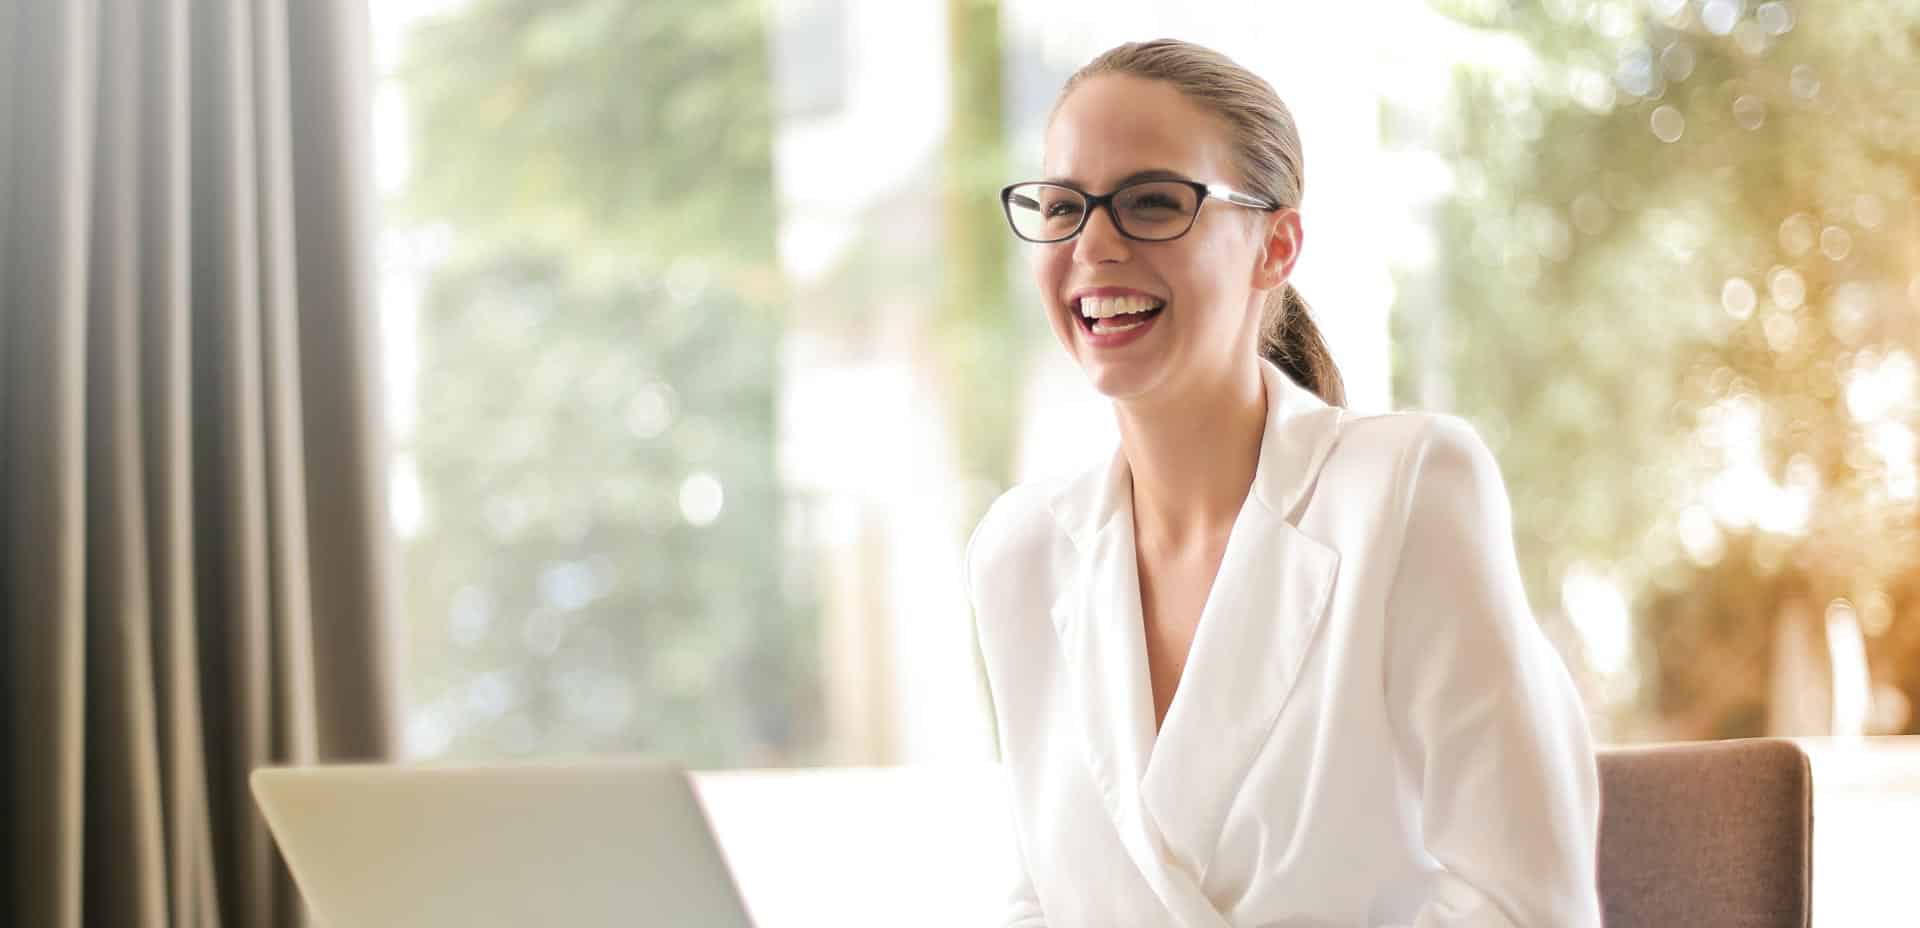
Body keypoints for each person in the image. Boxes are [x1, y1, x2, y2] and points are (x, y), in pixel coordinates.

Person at [965, 39, 1602, 927]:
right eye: (1063, 206)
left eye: (1153, 202)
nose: (1093, 243)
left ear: (1277, 244)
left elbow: (1525, 908)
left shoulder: (1408, 491)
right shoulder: (1018, 550)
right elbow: (1039, 897)